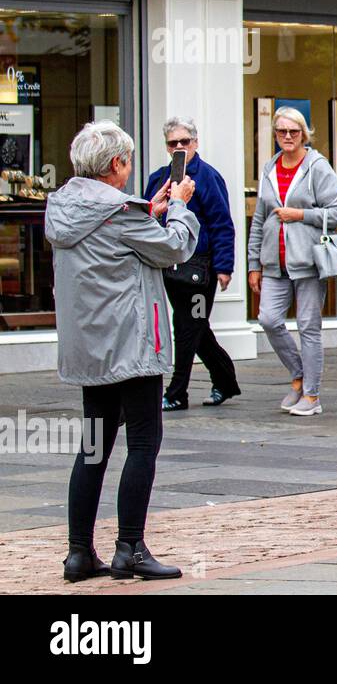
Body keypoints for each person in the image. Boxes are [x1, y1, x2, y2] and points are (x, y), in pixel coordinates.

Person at [47, 121, 198, 581]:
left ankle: (78, 552)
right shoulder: (122, 211)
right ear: (116, 164)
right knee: (143, 443)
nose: (130, 169)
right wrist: (178, 208)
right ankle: (130, 548)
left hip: (91, 348)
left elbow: (119, 239)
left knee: (93, 448)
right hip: (133, 343)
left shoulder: (62, 206)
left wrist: (146, 212)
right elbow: (173, 249)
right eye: (128, 161)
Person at [246, 106, 337, 417]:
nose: (287, 137)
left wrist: (300, 215)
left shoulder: (318, 167)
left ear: (304, 134)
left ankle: (312, 396)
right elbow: (260, 217)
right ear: (275, 135)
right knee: (268, 319)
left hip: (308, 260)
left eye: (293, 132)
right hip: (273, 262)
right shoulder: (270, 168)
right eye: (281, 132)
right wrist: (253, 263)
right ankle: (299, 374)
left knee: (308, 327)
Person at [144, 116, 240, 411]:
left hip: (201, 269)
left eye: (185, 142)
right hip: (170, 267)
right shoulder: (158, 178)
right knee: (195, 328)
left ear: (195, 143)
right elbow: (147, 218)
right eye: (173, 143)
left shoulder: (207, 177)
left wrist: (224, 267)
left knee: (189, 327)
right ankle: (225, 381)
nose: (179, 147)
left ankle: (176, 392)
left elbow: (222, 223)